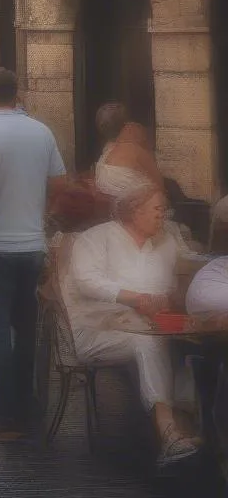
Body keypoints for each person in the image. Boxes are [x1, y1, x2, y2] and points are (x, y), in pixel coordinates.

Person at [63, 183, 200, 466]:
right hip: (97, 330)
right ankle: (169, 433)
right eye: (158, 209)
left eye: (165, 209)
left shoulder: (167, 240)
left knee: (192, 348)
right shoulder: (95, 238)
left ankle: (191, 426)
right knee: (147, 343)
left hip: (151, 325)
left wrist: (177, 293)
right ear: (134, 211)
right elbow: (87, 282)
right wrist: (136, 298)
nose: (164, 215)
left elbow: (185, 271)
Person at [0, 67, 67, 439]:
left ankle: (3, 415)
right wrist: (41, 212)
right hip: (31, 245)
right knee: (26, 330)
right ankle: (27, 405)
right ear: (18, 93)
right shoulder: (42, 131)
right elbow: (59, 182)